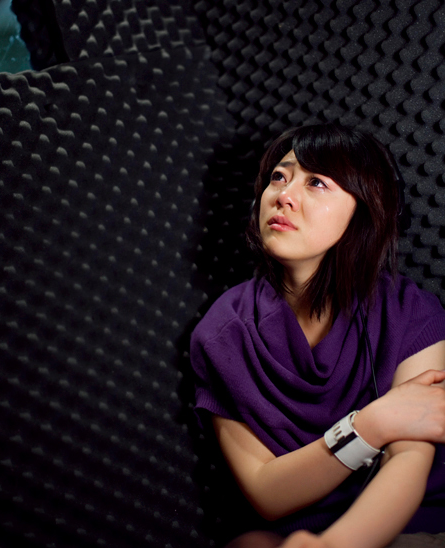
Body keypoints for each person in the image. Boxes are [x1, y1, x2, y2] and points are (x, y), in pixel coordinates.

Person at [190, 123, 445, 548]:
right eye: (279, 177)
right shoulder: (223, 333)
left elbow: (408, 463)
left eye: (316, 182)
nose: (284, 195)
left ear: (364, 211)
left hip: (409, 527)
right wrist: (369, 425)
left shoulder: (412, 313)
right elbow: (266, 491)